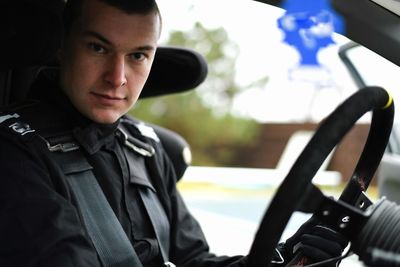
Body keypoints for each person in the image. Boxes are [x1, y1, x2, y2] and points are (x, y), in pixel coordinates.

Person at [0, 0, 348, 266]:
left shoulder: (143, 146)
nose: (117, 77)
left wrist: (282, 257)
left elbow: (194, 260)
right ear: (62, 47)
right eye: (98, 48)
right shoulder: (15, 152)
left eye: (137, 55)